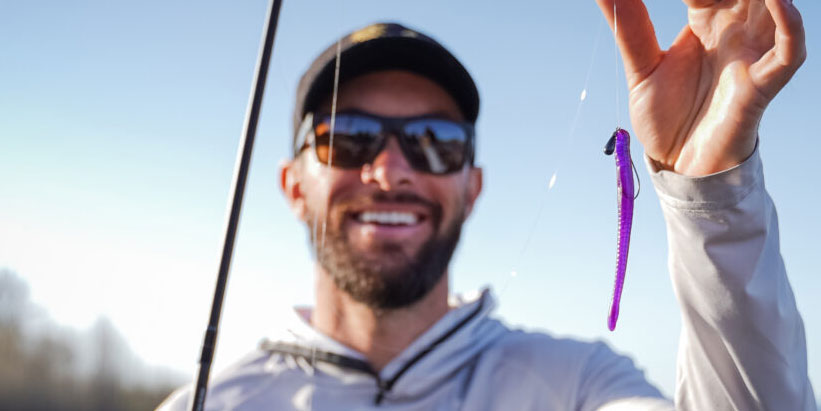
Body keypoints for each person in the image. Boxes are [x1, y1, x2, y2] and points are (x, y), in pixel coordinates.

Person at [159, 0, 815, 409]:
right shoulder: (207, 402)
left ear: (472, 187)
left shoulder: (582, 384)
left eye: (434, 142)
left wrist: (713, 199)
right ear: (293, 185)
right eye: (349, 138)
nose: (389, 171)